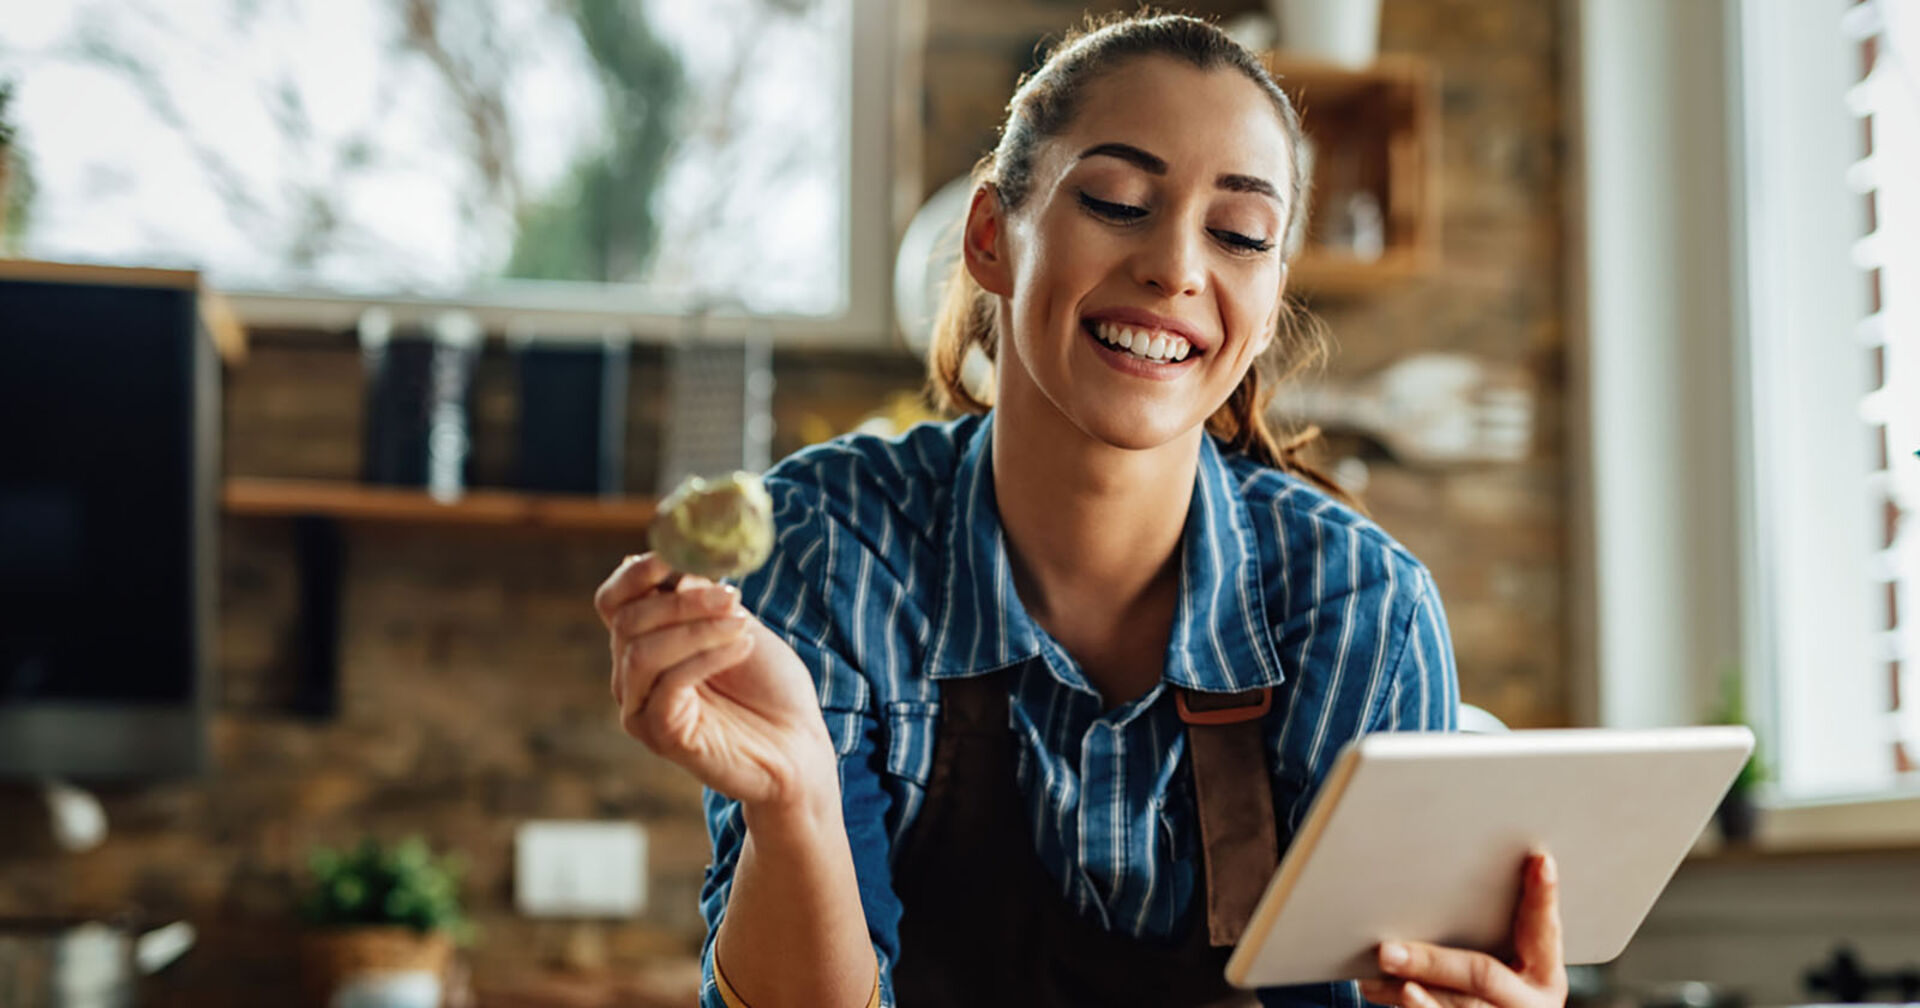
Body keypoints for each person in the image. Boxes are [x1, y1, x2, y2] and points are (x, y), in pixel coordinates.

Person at [593, 13, 1568, 1008]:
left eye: (1238, 233)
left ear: (1270, 301)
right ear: (989, 238)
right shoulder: (828, 548)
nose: (1178, 267)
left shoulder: (1364, 610)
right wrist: (796, 796)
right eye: (1115, 200)